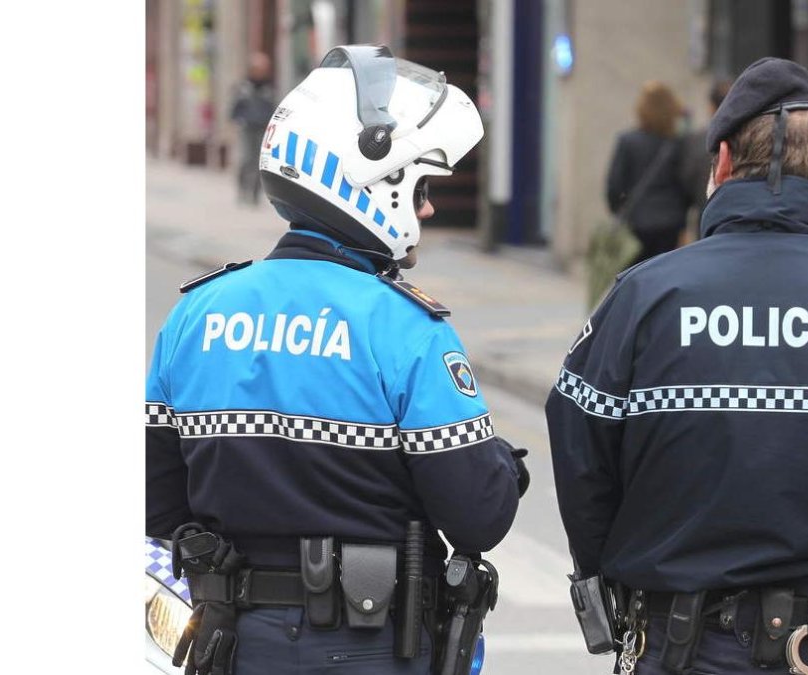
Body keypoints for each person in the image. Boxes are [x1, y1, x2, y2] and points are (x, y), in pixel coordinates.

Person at [546, 57, 808, 675]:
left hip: (679, 645)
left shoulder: (644, 296)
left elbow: (578, 440)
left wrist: (611, 573)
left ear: (722, 163)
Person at [146, 45, 528, 675]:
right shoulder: (404, 329)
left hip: (236, 645)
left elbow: (160, 508)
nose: (428, 209)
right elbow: (477, 516)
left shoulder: (195, 316)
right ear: (376, 181)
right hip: (375, 646)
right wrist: (501, 468)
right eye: (423, 187)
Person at [605, 81, 692, 265]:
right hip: (671, 222)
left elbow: (614, 184)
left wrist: (619, 210)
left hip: (637, 221)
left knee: (635, 276)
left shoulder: (627, 141)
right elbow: (686, 184)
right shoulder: (677, 143)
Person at [677, 79, 733, 227]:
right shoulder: (751, 137)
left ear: (711, 107)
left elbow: (686, 181)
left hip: (706, 217)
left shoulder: (696, 140)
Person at [230, 52, 278, 205]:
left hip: (263, 128)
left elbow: (274, 109)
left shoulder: (269, 89)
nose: (260, 72)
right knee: (246, 159)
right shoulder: (244, 88)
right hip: (247, 128)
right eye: (257, 68)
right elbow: (235, 109)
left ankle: (255, 194)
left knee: (259, 162)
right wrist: (239, 119)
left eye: (263, 69)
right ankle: (242, 190)